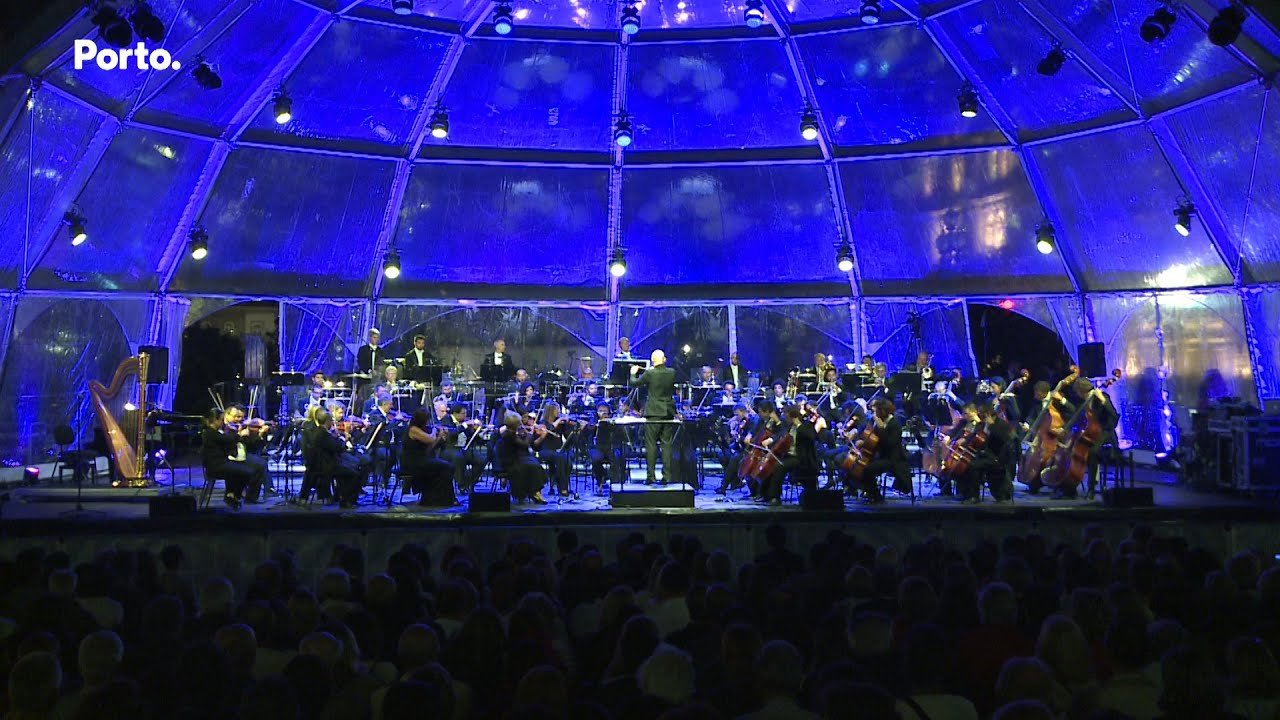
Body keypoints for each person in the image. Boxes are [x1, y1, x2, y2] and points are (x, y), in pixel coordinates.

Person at [201, 407, 268, 509]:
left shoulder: (214, 432)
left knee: (247, 470)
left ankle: (233, 495)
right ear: (215, 420)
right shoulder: (210, 433)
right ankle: (232, 495)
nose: (222, 422)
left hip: (222, 463)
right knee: (246, 472)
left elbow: (228, 440)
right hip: (216, 466)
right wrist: (239, 435)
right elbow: (227, 440)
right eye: (221, 420)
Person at [629, 349, 678, 485]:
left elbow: (635, 383)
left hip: (653, 412)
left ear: (652, 361)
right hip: (667, 411)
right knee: (666, 445)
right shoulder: (671, 372)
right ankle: (666, 476)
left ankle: (651, 477)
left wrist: (633, 373)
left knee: (651, 445)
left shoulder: (650, 373)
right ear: (664, 360)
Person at [850, 398, 912, 503]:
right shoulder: (877, 422)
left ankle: (876, 497)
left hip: (892, 458)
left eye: (875, 411)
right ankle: (866, 491)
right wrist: (862, 442)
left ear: (883, 411)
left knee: (867, 470)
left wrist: (881, 428)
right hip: (880, 455)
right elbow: (872, 438)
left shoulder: (895, 424)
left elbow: (890, 444)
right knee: (856, 466)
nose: (874, 414)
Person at [304, 409, 370, 508]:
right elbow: (338, 447)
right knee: (354, 474)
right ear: (327, 422)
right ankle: (347, 501)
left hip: (322, 465)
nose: (333, 423)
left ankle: (340, 497)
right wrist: (346, 438)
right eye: (331, 421)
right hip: (326, 467)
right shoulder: (323, 434)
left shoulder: (319, 432)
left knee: (351, 468)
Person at [761, 405, 823, 506]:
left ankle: (775, 498)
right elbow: (781, 435)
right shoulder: (789, 426)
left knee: (779, 466)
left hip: (801, 458)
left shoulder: (805, 426)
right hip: (789, 456)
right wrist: (771, 440)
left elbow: (811, 436)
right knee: (771, 463)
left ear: (791, 416)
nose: (784, 417)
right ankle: (765, 494)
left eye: (786, 415)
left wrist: (798, 424)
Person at [953, 403, 1014, 503]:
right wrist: (965, 439)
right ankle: (964, 493)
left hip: (996, 457)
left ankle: (974, 497)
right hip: (983, 455)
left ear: (988, 414)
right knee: (964, 463)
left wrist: (991, 427)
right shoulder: (982, 424)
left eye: (982, 415)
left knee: (972, 466)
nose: (980, 417)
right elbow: (974, 436)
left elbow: (1002, 440)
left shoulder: (1002, 425)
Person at [399, 409, 455, 507]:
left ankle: (440, 499)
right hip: (412, 463)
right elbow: (431, 439)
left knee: (446, 468)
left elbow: (429, 449)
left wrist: (441, 437)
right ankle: (442, 499)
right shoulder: (414, 429)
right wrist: (436, 433)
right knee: (446, 467)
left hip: (422, 460)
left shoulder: (422, 429)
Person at [496, 412, 546, 504]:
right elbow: (525, 445)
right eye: (519, 423)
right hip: (509, 461)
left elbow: (521, 442)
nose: (521, 424)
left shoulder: (512, 432)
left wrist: (528, 434)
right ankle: (532, 492)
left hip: (516, 458)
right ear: (516, 424)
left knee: (534, 463)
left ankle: (534, 491)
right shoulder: (508, 434)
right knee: (532, 466)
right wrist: (530, 433)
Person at [719, 403, 759, 494]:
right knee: (723, 456)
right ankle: (734, 483)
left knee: (734, 459)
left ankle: (724, 487)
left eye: (737, 414)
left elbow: (749, 439)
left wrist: (738, 437)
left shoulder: (753, 420)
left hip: (751, 450)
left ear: (743, 412)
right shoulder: (743, 421)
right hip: (741, 448)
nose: (736, 417)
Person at [446, 404, 486, 494]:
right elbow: (451, 434)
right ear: (455, 414)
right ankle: (461, 484)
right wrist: (464, 425)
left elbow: (473, 438)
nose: (465, 416)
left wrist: (476, 431)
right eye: (463, 413)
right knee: (458, 458)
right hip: (451, 448)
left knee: (482, 460)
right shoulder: (447, 419)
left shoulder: (465, 422)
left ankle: (466, 482)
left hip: (464, 448)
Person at [589, 402, 627, 491]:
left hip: (612, 446)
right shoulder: (594, 420)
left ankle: (615, 483)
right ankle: (600, 481)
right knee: (595, 458)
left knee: (616, 457)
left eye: (605, 411)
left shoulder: (614, 420)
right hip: (598, 447)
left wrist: (611, 423)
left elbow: (621, 435)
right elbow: (589, 432)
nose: (603, 413)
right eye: (600, 411)